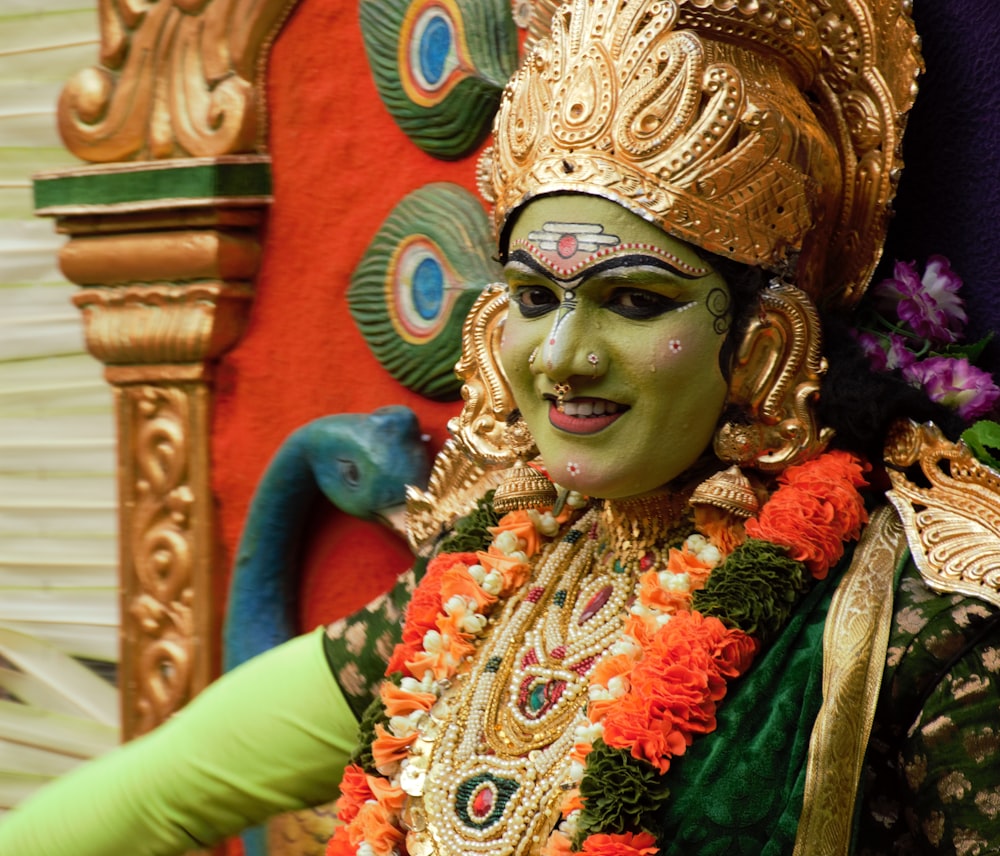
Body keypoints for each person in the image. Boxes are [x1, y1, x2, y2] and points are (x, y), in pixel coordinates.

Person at [2, 0, 999, 854]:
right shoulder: (491, 579)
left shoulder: (919, 615)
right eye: (533, 296)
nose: (563, 353)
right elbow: (159, 788)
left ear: (762, 340)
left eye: (634, 301)